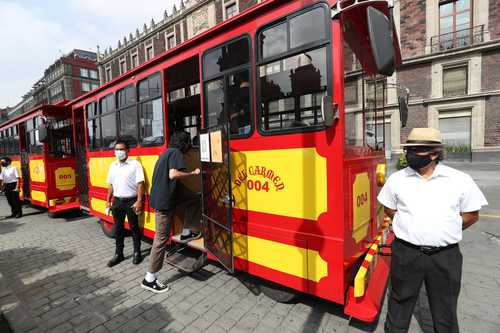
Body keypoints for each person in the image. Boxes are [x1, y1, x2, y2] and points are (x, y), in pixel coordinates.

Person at [378, 128, 488, 333]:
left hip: (445, 257)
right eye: (407, 149)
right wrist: (412, 226)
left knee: (445, 309)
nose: (409, 154)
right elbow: (389, 208)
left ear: (434, 153)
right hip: (406, 253)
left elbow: (472, 215)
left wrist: (443, 229)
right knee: (399, 304)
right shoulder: (397, 179)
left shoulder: (459, 180)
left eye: (416, 150)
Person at [141, 131, 201, 293]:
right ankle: (149, 278)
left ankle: (187, 231)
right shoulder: (176, 153)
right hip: (164, 203)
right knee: (160, 239)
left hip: (165, 197)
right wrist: (192, 173)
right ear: (185, 144)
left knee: (195, 199)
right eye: (189, 143)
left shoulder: (166, 153)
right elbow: (173, 174)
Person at [105, 140, 145, 267]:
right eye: (116, 149)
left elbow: (140, 184)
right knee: (118, 229)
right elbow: (110, 185)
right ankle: (118, 254)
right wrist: (107, 201)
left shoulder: (135, 164)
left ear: (128, 151)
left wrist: (139, 201)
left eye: (121, 149)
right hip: (117, 201)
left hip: (131, 201)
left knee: (134, 228)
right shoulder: (113, 165)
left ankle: (137, 252)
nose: (118, 152)